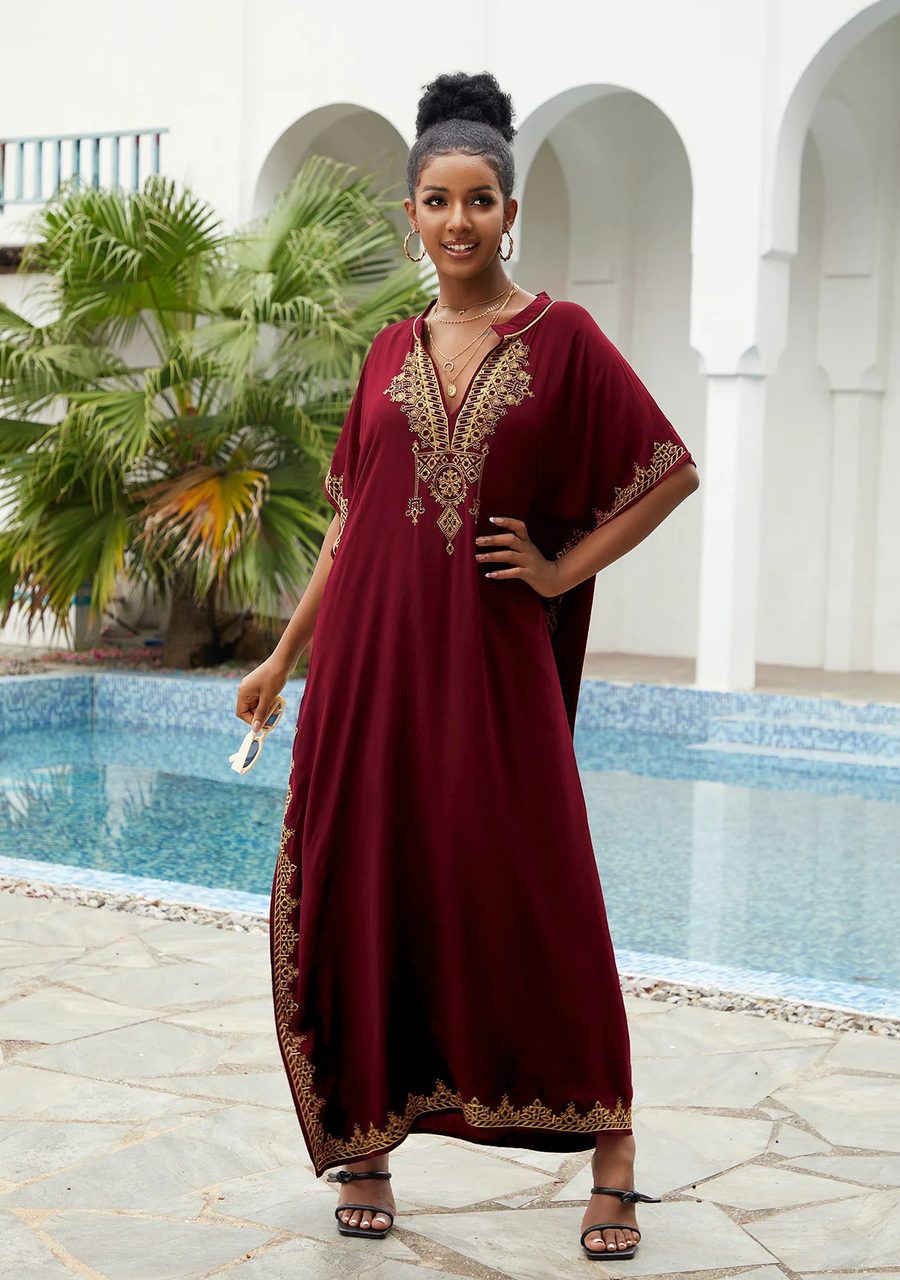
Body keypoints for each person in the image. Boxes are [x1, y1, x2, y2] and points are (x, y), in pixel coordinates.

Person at [236, 69, 699, 1261]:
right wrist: (284, 655)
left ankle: (613, 1152)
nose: (458, 221)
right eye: (436, 201)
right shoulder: (386, 349)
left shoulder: (564, 338)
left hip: (492, 669)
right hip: (368, 670)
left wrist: (558, 569)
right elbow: (350, 520)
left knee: (540, 888)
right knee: (365, 885)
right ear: (411, 214)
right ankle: (367, 1142)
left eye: (479, 200)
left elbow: (668, 471)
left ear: (509, 211)